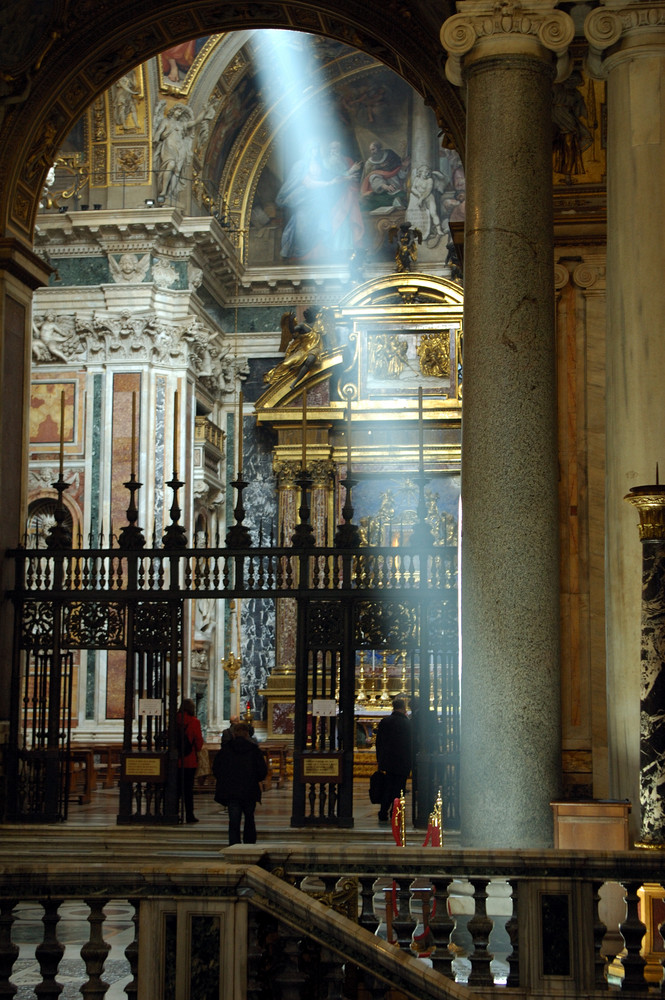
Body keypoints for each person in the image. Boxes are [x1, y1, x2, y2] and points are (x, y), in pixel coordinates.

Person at [213, 722, 267, 845]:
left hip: (231, 791)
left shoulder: (225, 750)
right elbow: (262, 771)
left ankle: (234, 845)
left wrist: (225, 780)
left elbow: (216, 769)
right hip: (249, 790)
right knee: (249, 819)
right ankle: (249, 845)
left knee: (234, 821)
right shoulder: (254, 750)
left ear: (234, 733)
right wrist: (253, 779)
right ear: (247, 734)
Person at [375, 696, 412, 823]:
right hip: (402, 761)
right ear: (403, 708)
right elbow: (410, 744)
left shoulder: (385, 721)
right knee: (399, 789)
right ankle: (395, 813)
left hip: (387, 761)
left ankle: (382, 812)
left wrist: (379, 759)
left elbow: (378, 742)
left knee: (387, 787)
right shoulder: (407, 723)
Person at [176, 698, 204, 824]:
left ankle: (173, 813)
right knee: (188, 790)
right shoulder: (194, 722)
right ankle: (189, 815)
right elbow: (198, 743)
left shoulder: (174, 720)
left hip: (174, 760)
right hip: (189, 760)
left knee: (175, 788)